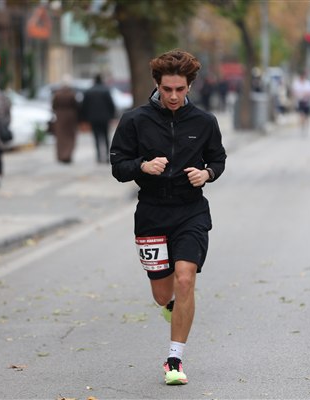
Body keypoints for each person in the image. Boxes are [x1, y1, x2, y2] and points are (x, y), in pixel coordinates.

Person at [110, 49, 227, 386]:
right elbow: (118, 166)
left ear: (189, 86)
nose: (173, 96)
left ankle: (174, 360)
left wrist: (207, 174)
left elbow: (218, 159)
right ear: (157, 85)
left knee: (186, 278)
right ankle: (173, 307)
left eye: (179, 89)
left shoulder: (204, 122)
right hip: (151, 213)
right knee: (163, 295)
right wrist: (142, 166)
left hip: (191, 211)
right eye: (167, 89)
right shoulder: (135, 120)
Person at [81, 74, 116, 163]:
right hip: (105, 118)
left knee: (96, 137)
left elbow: (84, 105)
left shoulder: (89, 91)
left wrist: (84, 117)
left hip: (93, 118)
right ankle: (107, 156)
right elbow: (111, 104)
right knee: (106, 136)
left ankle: (99, 156)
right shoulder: (106, 90)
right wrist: (112, 115)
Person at [52, 78, 79, 163]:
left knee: (61, 137)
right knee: (70, 137)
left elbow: (54, 106)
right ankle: (67, 155)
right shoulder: (71, 94)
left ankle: (61, 155)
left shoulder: (57, 94)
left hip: (60, 117)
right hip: (70, 118)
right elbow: (76, 106)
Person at [291, 71, 310, 135]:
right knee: (301, 115)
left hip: (307, 101)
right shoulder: (296, 83)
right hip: (300, 101)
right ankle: (302, 126)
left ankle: (306, 127)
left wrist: (307, 94)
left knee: (306, 116)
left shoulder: (308, 83)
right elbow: (293, 92)